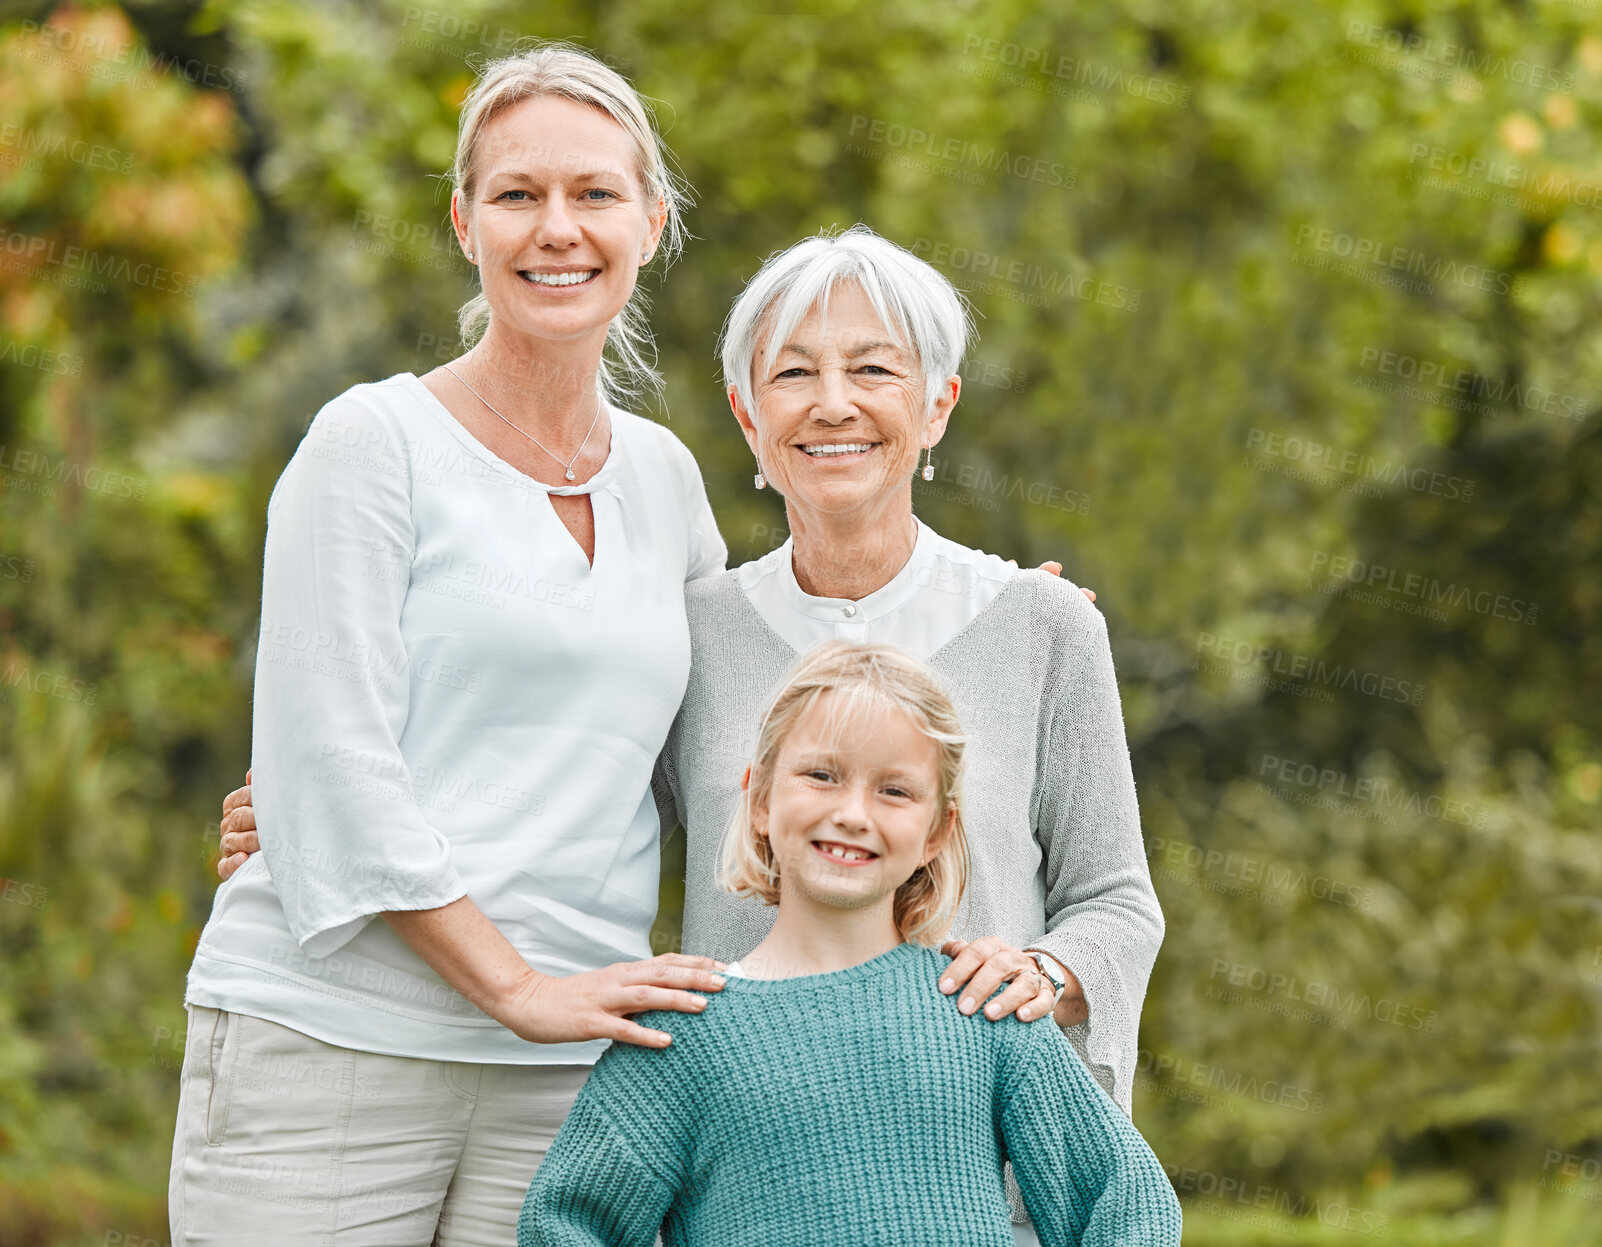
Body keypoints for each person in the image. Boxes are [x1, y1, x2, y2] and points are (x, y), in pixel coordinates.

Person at [215, 225, 1158, 1244]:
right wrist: (323, 805)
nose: (832, 402)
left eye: (875, 369)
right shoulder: (692, 627)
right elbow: (569, 783)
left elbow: (1114, 898)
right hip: (742, 1184)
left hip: (970, 1181)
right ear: (749, 416)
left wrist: (1045, 976)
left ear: (938, 404)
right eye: (793, 372)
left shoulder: (1044, 624)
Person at [170, 43, 733, 1247]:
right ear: (465, 221)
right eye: (518, 194)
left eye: (593, 194)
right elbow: (337, 760)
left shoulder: (670, 481)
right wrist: (516, 986)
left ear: (652, 220)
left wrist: (965, 607)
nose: (557, 229)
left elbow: (744, 739)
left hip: (569, 1074)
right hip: (327, 1042)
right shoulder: (372, 442)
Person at [518, 642, 1182, 1247]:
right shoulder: (680, 1032)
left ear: (936, 832)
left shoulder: (984, 1009)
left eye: (894, 789)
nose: (853, 813)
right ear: (758, 799)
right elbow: (566, 1224)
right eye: (822, 775)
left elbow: (1129, 1202)